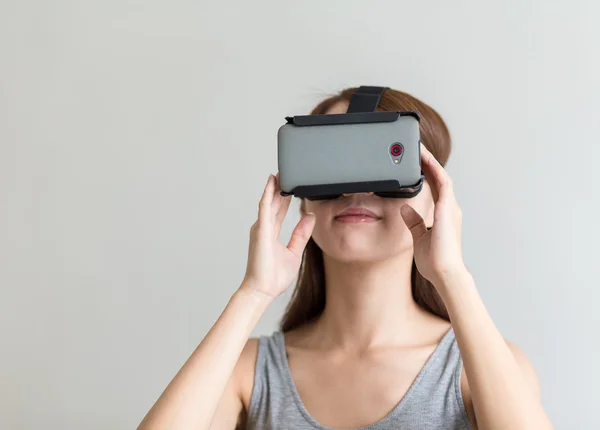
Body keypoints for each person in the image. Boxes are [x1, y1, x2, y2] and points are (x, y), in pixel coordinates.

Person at [137, 87, 553, 430]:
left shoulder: (480, 368)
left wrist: (453, 276)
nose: (357, 190)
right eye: (332, 164)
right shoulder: (248, 371)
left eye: (384, 159)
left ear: (437, 197)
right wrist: (254, 292)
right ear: (303, 201)